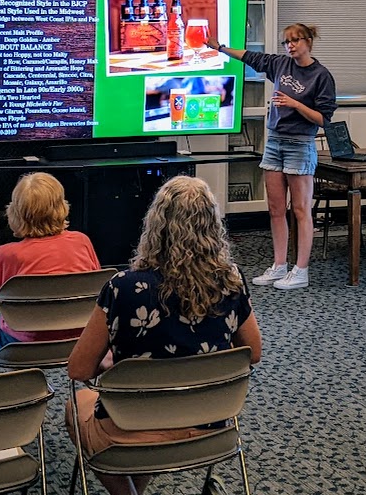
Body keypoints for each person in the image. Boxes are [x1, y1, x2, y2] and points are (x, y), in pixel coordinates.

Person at [65, 176, 261, 495]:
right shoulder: (231, 284)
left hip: (132, 428)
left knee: (77, 403)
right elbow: (251, 353)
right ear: (212, 227)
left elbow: (78, 370)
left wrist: (117, 367)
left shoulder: (123, 287)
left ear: (155, 226)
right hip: (209, 427)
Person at [210, 23, 336, 290]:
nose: (289, 46)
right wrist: (219, 48)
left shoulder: (321, 75)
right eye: (286, 42)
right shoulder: (280, 65)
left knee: (301, 210)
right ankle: (279, 266)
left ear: (308, 41)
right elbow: (250, 57)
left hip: (300, 144)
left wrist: (295, 104)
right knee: (276, 210)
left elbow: (324, 119)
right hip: (275, 141)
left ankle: (301, 270)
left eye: (294, 41)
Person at [0, 172, 100, 363]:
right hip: (79, 340)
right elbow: (97, 290)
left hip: (20, 344)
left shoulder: (7, 254)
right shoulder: (82, 242)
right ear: (62, 207)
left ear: (15, 213)